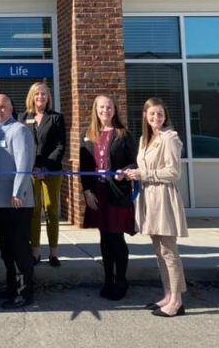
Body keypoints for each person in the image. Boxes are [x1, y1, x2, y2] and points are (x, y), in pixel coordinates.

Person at [125, 98, 188, 317]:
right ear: (145, 115)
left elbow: (174, 172)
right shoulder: (145, 139)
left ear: (165, 115)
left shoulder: (169, 138)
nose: (156, 118)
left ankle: (178, 302)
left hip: (163, 198)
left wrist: (145, 174)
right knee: (159, 251)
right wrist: (131, 173)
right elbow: (142, 167)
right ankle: (168, 295)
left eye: (160, 114)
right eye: (152, 114)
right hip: (148, 199)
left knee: (169, 252)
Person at [80, 94, 137, 301]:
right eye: (102, 107)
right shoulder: (88, 134)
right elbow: (84, 167)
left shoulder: (123, 134)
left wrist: (124, 171)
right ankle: (108, 279)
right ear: (96, 110)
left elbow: (134, 163)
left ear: (115, 109)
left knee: (116, 238)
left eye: (109, 107)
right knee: (104, 238)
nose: (106, 110)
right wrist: (87, 192)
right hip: (97, 194)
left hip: (117, 193)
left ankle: (121, 281)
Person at [0, 95, 35, 309]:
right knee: (6, 249)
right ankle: (12, 286)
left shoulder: (19, 130)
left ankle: (25, 293)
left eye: (3, 106)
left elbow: (24, 163)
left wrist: (18, 192)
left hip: (15, 202)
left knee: (20, 249)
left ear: (11, 107)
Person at [20, 82, 66, 267]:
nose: (40, 97)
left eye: (44, 94)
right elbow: (22, 145)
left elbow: (60, 146)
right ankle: (35, 252)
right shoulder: (24, 117)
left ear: (48, 98)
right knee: (34, 211)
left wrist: (45, 167)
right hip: (31, 171)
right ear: (32, 96)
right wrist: (31, 167)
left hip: (51, 170)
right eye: (37, 94)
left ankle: (53, 253)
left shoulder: (56, 118)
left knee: (51, 210)